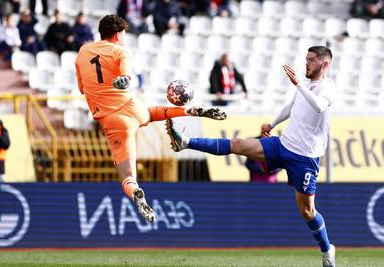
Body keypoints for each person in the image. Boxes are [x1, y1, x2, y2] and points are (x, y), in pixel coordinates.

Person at [166, 46, 337, 267]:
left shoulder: (328, 88)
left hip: (305, 157)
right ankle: (185, 142)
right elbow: (293, 105)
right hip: (283, 144)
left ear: (325, 64)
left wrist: (298, 84)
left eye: (311, 60)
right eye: (306, 59)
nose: (306, 63)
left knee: (307, 211)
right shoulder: (304, 86)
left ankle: (327, 249)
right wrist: (273, 123)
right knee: (238, 144)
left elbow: (318, 105)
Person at [75, 15, 226, 223]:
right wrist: (125, 80)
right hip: (132, 105)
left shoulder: (83, 51)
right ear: (118, 34)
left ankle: (135, 190)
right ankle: (187, 111)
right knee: (151, 113)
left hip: (113, 120)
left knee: (127, 175)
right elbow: (127, 74)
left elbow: (82, 88)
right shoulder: (121, 50)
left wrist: (114, 83)